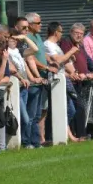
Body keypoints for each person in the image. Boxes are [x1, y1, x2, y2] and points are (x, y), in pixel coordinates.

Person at [44, 22, 86, 142]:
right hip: (57, 80)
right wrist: (71, 52)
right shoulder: (48, 45)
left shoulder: (55, 45)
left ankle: (68, 136)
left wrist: (70, 69)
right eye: (61, 31)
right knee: (71, 107)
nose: (62, 34)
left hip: (64, 78)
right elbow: (58, 61)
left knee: (70, 109)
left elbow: (62, 63)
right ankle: (53, 136)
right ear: (56, 32)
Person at [24, 13, 56, 149]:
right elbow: (31, 58)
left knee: (39, 112)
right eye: (38, 23)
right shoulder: (28, 38)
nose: (41, 25)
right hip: (34, 80)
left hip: (42, 78)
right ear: (30, 25)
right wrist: (46, 67)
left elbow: (41, 54)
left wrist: (52, 61)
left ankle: (38, 140)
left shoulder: (37, 37)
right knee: (31, 114)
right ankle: (29, 142)